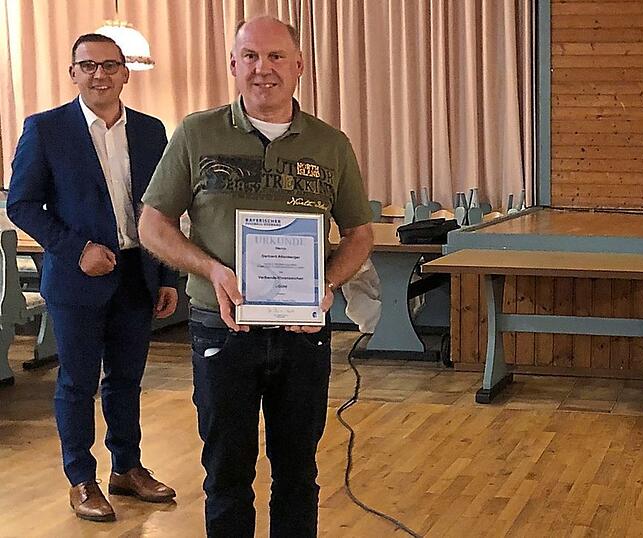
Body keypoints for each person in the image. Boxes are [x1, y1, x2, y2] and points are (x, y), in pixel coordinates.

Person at [137, 16, 373, 537]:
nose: (262, 69)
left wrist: (326, 285)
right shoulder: (196, 134)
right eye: (250, 57)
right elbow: (153, 225)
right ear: (233, 65)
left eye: (274, 57)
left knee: (298, 473)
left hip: (303, 336)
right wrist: (212, 269)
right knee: (225, 474)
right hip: (221, 331)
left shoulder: (331, 145)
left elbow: (359, 233)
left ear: (299, 66)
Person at [6, 34, 180, 522]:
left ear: (126, 73)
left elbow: (162, 208)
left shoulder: (150, 131)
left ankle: (127, 469)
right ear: (73, 73)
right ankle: (81, 479)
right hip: (77, 278)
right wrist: (76, 249)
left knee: (126, 381)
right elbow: (22, 204)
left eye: (110, 66)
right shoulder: (45, 130)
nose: (99, 75)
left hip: (137, 274)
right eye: (88, 66)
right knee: (78, 383)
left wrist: (166, 274)